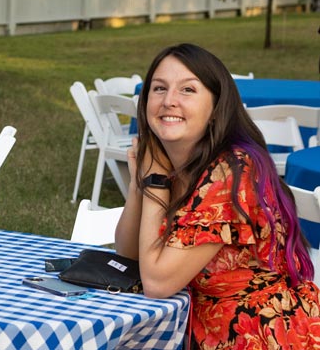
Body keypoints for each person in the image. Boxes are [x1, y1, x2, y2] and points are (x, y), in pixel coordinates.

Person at [115, 43, 320, 349]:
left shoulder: (233, 170)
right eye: (159, 88)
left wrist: (155, 181)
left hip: (264, 336)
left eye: (187, 90)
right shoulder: (175, 164)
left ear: (215, 106)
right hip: (205, 332)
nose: (169, 100)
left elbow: (157, 283)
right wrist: (140, 183)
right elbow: (128, 255)